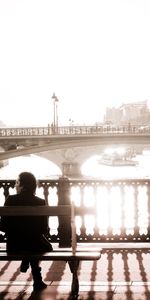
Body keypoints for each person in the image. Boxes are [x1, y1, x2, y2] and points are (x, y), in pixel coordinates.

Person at [0, 172, 53, 292]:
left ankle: (26, 261)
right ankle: (37, 279)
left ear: (23, 186)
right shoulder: (40, 201)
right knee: (39, 245)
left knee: (29, 244)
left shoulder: (10, 199)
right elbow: (44, 228)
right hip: (35, 244)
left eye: (17, 183)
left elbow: (3, 226)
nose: (15, 186)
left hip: (14, 246)